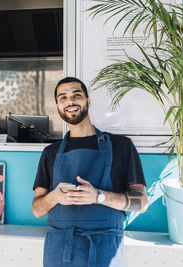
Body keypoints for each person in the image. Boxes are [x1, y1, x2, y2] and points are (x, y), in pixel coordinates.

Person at [32, 77, 148, 267]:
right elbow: (37, 210)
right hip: (60, 250)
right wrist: (55, 197)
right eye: (63, 98)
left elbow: (141, 203)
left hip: (104, 249)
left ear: (88, 100)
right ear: (58, 106)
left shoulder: (122, 146)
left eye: (76, 95)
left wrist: (99, 197)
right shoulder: (50, 153)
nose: (70, 101)